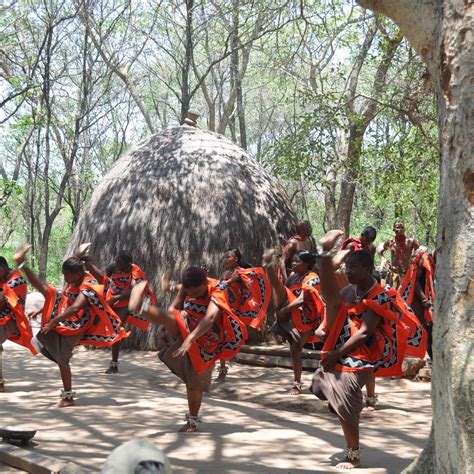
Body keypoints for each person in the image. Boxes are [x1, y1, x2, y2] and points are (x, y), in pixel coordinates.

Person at [310, 230, 417, 469]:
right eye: (346, 267)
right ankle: (324, 253)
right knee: (319, 385)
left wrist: (337, 354)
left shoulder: (379, 295)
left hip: (363, 355)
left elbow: (365, 332)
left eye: (353, 268)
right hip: (342, 349)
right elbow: (331, 301)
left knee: (346, 404)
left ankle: (353, 455)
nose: (348, 272)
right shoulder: (351, 290)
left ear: (368, 269)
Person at [129, 266, 247, 432]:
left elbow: (211, 317)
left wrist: (190, 338)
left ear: (205, 283)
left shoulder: (217, 289)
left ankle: (192, 421)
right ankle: (140, 308)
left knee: (194, 384)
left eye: (197, 293)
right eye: (189, 293)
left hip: (207, 340)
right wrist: (165, 326)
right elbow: (174, 308)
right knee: (173, 317)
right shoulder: (185, 288)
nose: (192, 296)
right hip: (186, 325)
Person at [13, 244, 127, 407]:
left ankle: (68, 398)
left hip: (76, 325)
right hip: (66, 319)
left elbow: (75, 308)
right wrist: (41, 311)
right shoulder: (75, 280)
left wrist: (53, 321)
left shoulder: (89, 284)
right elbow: (64, 299)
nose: (65, 278)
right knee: (48, 293)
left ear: (78, 273)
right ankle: (22, 263)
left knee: (63, 360)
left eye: (67, 275)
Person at [80, 250, 156, 374]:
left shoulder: (135, 271)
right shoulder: (113, 267)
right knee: (96, 318)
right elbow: (104, 280)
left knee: (117, 328)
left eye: (119, 262)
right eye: (116, 261)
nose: (116, 264)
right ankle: (86, 340)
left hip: (127, 301)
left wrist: (115, 298)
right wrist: (89, 266)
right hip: (113, 297)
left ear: (128, 263)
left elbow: (134, 290)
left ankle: (114, 364)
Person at [265, 250, 324, 395]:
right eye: (294, 261)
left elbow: (302, 299)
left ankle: (302, 383)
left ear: (307, 265)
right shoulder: (293, 277)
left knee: (296, 348)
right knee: (294, 350)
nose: (294, 264)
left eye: (298, 261)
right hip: (294, 316)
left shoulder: (313, 278)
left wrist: (284, 310)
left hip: (309, 318)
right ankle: (297, 382)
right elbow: (284, 291)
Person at [215, 248, 271, 382]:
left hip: (235, 312)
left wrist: (224, 284)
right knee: (221, 338)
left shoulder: (241, 273)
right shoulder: (227, 273)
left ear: (236, 259)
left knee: (224, 338)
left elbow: (231, 283)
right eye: (224, 257)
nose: (225, 260)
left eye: (228, 257)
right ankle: (222, 369)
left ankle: (222, 368)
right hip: (225, 309)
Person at [0, 256, 36, 391]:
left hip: (12, 319)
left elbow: (5, 301)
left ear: (2, 268)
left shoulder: (16, 280)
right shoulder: (3, 279)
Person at [399, 248, 435, 360]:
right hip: (416, 299)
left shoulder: (435, 262)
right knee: (423, 326)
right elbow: (414, 280)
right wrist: (424, 299)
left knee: (427, 327)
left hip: (425, 299)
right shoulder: (423, 260)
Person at [379, 221, 420, 288]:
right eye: (398, 227)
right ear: (393, 229)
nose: (400, 229)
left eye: (402, 227)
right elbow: (380, 251)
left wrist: (414, 261)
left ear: (404, 229)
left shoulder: (411, 241)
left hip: (407, 273)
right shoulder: (390, 242)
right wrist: (383, 259)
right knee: (391, 296)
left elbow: (421, 252)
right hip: (393, 273)